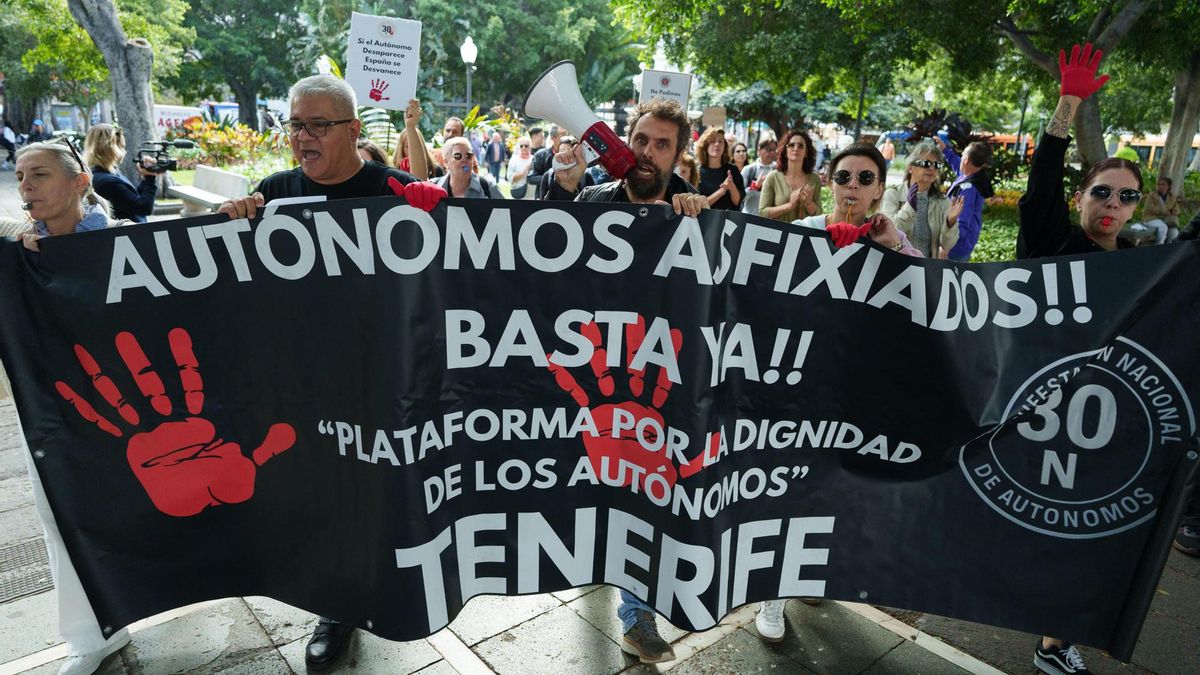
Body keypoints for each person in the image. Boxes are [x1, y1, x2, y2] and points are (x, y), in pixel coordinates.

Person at [217, 75, 447, 670]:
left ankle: (361, 597)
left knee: (370, 497)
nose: (303, 137)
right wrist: (228, 222)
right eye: (296, 125)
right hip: (300, 385)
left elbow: (458, 265)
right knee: (319, 498)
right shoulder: (273, 194)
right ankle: (333, 601)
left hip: (377, 381)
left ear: (351, 132)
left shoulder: (393, 188)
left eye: (318, 125)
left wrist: (436, 212)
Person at [544, 98, 708, 665]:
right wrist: (561, 191)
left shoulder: (693, 210)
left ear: (678, 154)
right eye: (640, 139)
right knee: (598, 488)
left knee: (643, 491)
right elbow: (535, 261)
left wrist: (699, 221)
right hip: (593, 376)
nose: (646, 152)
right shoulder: (590, 198)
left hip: (654, 384)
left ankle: (637, 613)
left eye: (662, 144)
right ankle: (603, 565)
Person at [2, 139, 136, 675]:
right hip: (57, 411)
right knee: (61, 515)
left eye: (38, 175)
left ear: (81, 182)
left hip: (133, 407)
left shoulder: (123, 242)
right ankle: (93, 633)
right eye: (19, 178)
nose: (25, 187)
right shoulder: (18, 250)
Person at [1019, 43, 1129, 675]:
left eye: (1126, 198)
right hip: (1029, 410)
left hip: (1096, 423)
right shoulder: (1054, 241)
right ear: (1084, 196)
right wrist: (1067, 106)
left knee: (1077, 536)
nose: (1113, 205)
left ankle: (1054, 642)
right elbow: (1040, 186)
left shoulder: (1145, 267)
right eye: (1102, 193)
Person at [880, 140, 962, 259]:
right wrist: (910, 208)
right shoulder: (893, 195)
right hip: (897, 267)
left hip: (927, 270)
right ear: (910, 168)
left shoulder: (942, 201)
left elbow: (947, 245)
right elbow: (890, 234)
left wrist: (950, 222)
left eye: (937, 165)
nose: (932, 168)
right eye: (926, 163)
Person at [83, 123, 160, 223]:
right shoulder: (108, 182)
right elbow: (143, 208)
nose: (124, 151)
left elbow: (131, 199)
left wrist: (145, 177)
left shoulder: (102, 174)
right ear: (110, 148)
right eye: (122, 147)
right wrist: (150, 178)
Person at [937, 137, 993, 261]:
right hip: (961, 245)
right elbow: (958, 165)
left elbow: (961, 221)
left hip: (955, 249)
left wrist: (947, 247)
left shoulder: (968, 189)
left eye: (962, 156)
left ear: (966, 160)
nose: (960, 158)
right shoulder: (973, 176)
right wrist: (944, 149)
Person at [759, 130, 821, 223]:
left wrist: (809, 203)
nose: (796, 148)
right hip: (776, 235)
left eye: (801, 146)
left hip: (804, 235)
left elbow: (819, 215)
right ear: (785, 150)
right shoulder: (773, 177)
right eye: (791, 145)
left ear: (806, 152)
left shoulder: (815, 179)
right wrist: (789, 206)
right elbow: (762, 212)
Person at [432, 136, 505, 198]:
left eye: (468, 156)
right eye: (458, 156)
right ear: (446, 162)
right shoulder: (432, 188)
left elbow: (507, 212)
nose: (464, 160)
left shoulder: (488, 188)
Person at [695, 128, 745, 210]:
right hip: (704, 221)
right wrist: (722, 190)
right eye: (713, 141)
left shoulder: (733, 170)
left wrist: (732, 187)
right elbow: (698, 206)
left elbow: (737, 203)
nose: (717, 144)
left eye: (720, 141)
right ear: (705, 145)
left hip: (729, 220)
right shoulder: (697, 173)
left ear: (725, 146)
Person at [391, 99, 434, 179]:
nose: (412, 150)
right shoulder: (392, 171)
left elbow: (420, 181)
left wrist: (411, 126)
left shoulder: (435, 170)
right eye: (408, 146)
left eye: (416, 145)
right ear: (401, 148)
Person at [530, 125, 568, 199]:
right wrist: (550, 178)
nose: (566, 138)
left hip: (566, 198)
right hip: (544, 198)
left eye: (567, 135)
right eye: (563, 135)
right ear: (553, 137)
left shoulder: (572, 156)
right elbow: (531, 178)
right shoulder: (540, 155)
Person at [741, 137, 777, 215]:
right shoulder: (749, 170)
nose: (772, 153)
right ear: (759, 150)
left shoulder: (779, 170)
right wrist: (755, 186)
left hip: (771, 220)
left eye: (774, 150)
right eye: (768, 149)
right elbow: (741, 198)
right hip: (750, 218)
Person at [1139, 176, 1180, 244]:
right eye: (1159, 184)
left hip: (1166, 219)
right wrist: (1165, 211)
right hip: (1151, 218)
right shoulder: (1152, 195)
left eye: (1163, 184)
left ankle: (1169, 249)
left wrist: (1174, 212)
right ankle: (1158, 245)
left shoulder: (1172, 197)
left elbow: (1177, 209)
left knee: (1174, 232)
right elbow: (1149, 208)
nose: (1160, 186)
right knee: (1163, 227)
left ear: (1168, 186)